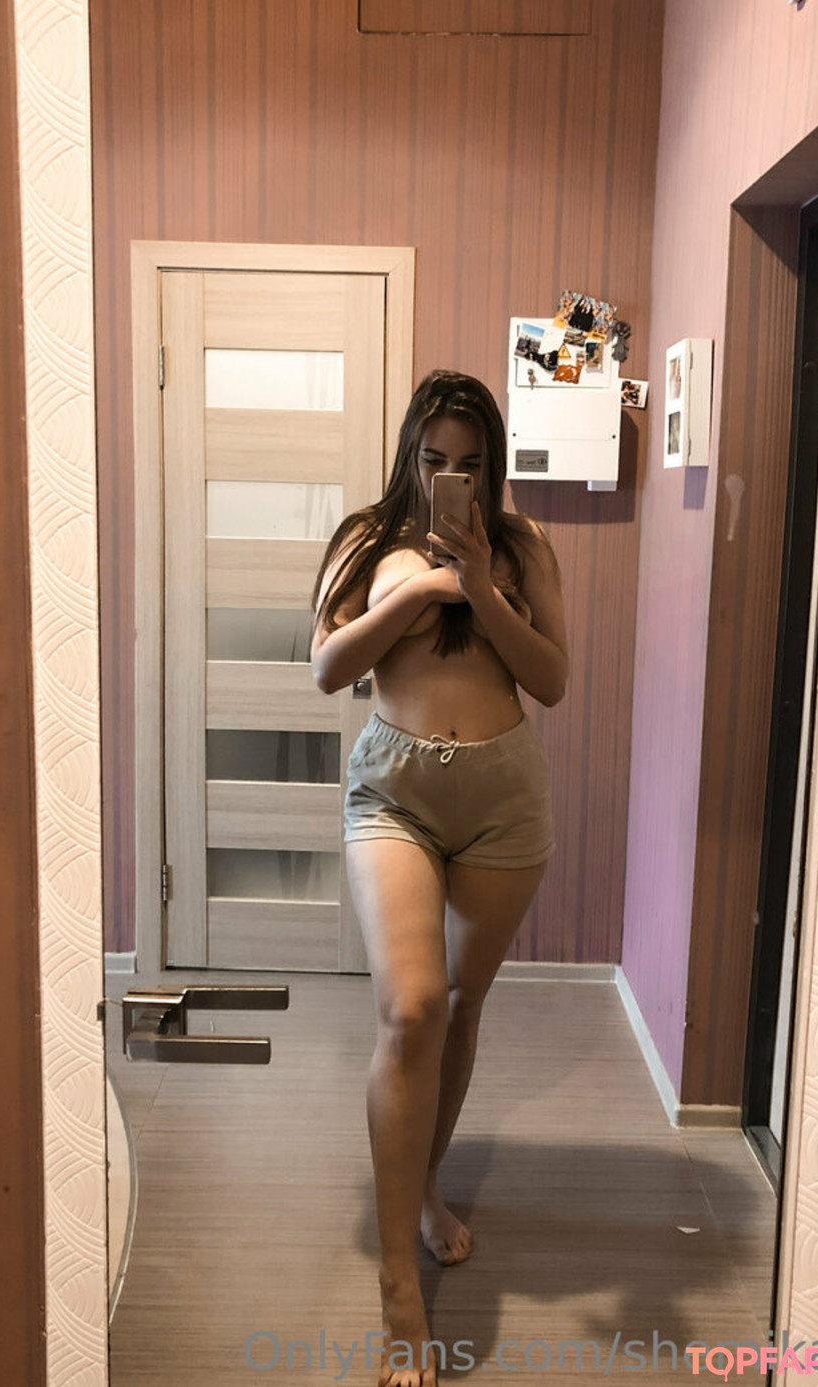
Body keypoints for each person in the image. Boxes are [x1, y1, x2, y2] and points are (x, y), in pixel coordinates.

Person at [310, 370, 568, 1387]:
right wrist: (419, 589)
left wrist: (483, 588)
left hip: (504, 797)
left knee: (460, 1008)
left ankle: (422, 1186)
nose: (448, 477)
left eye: (468, 462)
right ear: (408, 455)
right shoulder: (366, 539)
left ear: (491, 466)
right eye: (432, 459)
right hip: (396, 792)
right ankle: (398, 1294)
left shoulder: (524, 544)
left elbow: (551, 678)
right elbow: (328, 667)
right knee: (412, 1008)